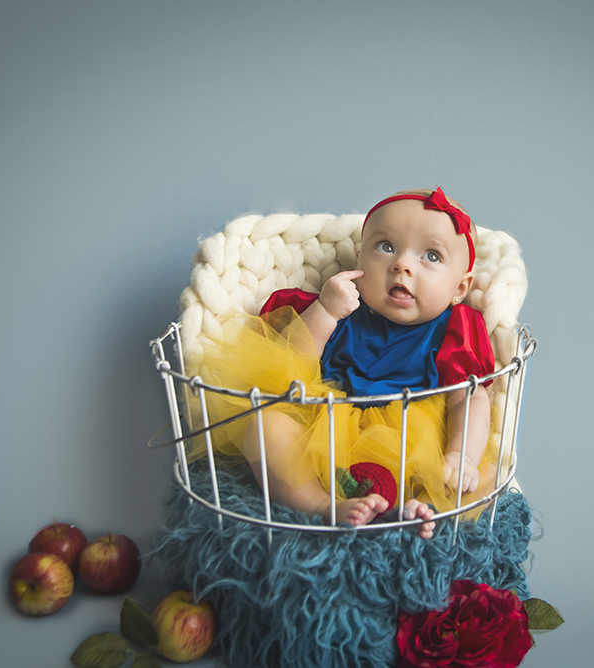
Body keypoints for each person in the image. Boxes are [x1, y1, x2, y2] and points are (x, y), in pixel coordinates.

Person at [199, 188, 496, 539]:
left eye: (431, 255)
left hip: (416, 448)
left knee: (484, 473)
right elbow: (290, 368)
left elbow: (470, 397)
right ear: (359, 259)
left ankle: (418, 505)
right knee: (265, 426)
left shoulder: (455, 331)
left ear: (460, 288)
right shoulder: (342, 309)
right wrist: (325, 311)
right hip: (325, 437)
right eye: (386, 246)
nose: (402, 264)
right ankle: (321, 504)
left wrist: (461, 453)